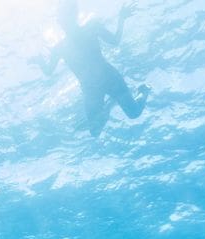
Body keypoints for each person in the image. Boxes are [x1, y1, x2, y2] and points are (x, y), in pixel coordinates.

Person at [41, 1, 148, 137]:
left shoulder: (91, 27)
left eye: (65, 17)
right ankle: (110, 105)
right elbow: (49, 71)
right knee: (95, 131)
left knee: (134, 113)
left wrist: (121, 19)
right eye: (61, 18)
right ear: (59, 22)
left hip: (110, 78)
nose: (63, 21)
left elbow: (115, 41)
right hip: (90, 88)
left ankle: (144, 90)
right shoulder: (59, 48)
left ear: (74, 15)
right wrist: (39, 62)